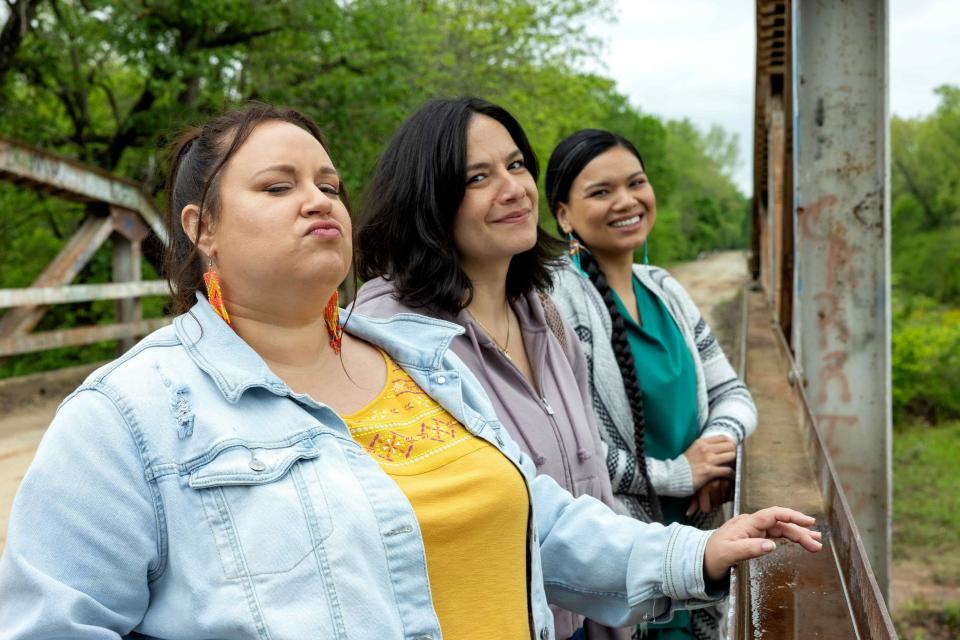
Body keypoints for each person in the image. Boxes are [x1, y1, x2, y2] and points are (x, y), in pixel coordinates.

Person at [0, 104, 819, 640]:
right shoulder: (128, 415)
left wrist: (694, 555)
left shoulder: (422, 364)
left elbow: (542, 524)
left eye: (328, 184)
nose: (318, 199)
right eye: (277, 186)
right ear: (201, 227)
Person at [352, 97, 626, 639]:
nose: (514, 189)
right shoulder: (392, 338)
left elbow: (594, 486)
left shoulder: (543, 315)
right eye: (478, 177)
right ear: (429, 201)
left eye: (516, 165)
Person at [545, 129, 759, 639]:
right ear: (563, 215)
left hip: (703, 550)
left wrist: (715, 450)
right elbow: (569, 447)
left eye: (635, 182)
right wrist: (678, 475)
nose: (626, 201)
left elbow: (733, 393)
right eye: (600, 192)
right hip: (625, 566)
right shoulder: (555, 303)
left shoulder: (664, 287)